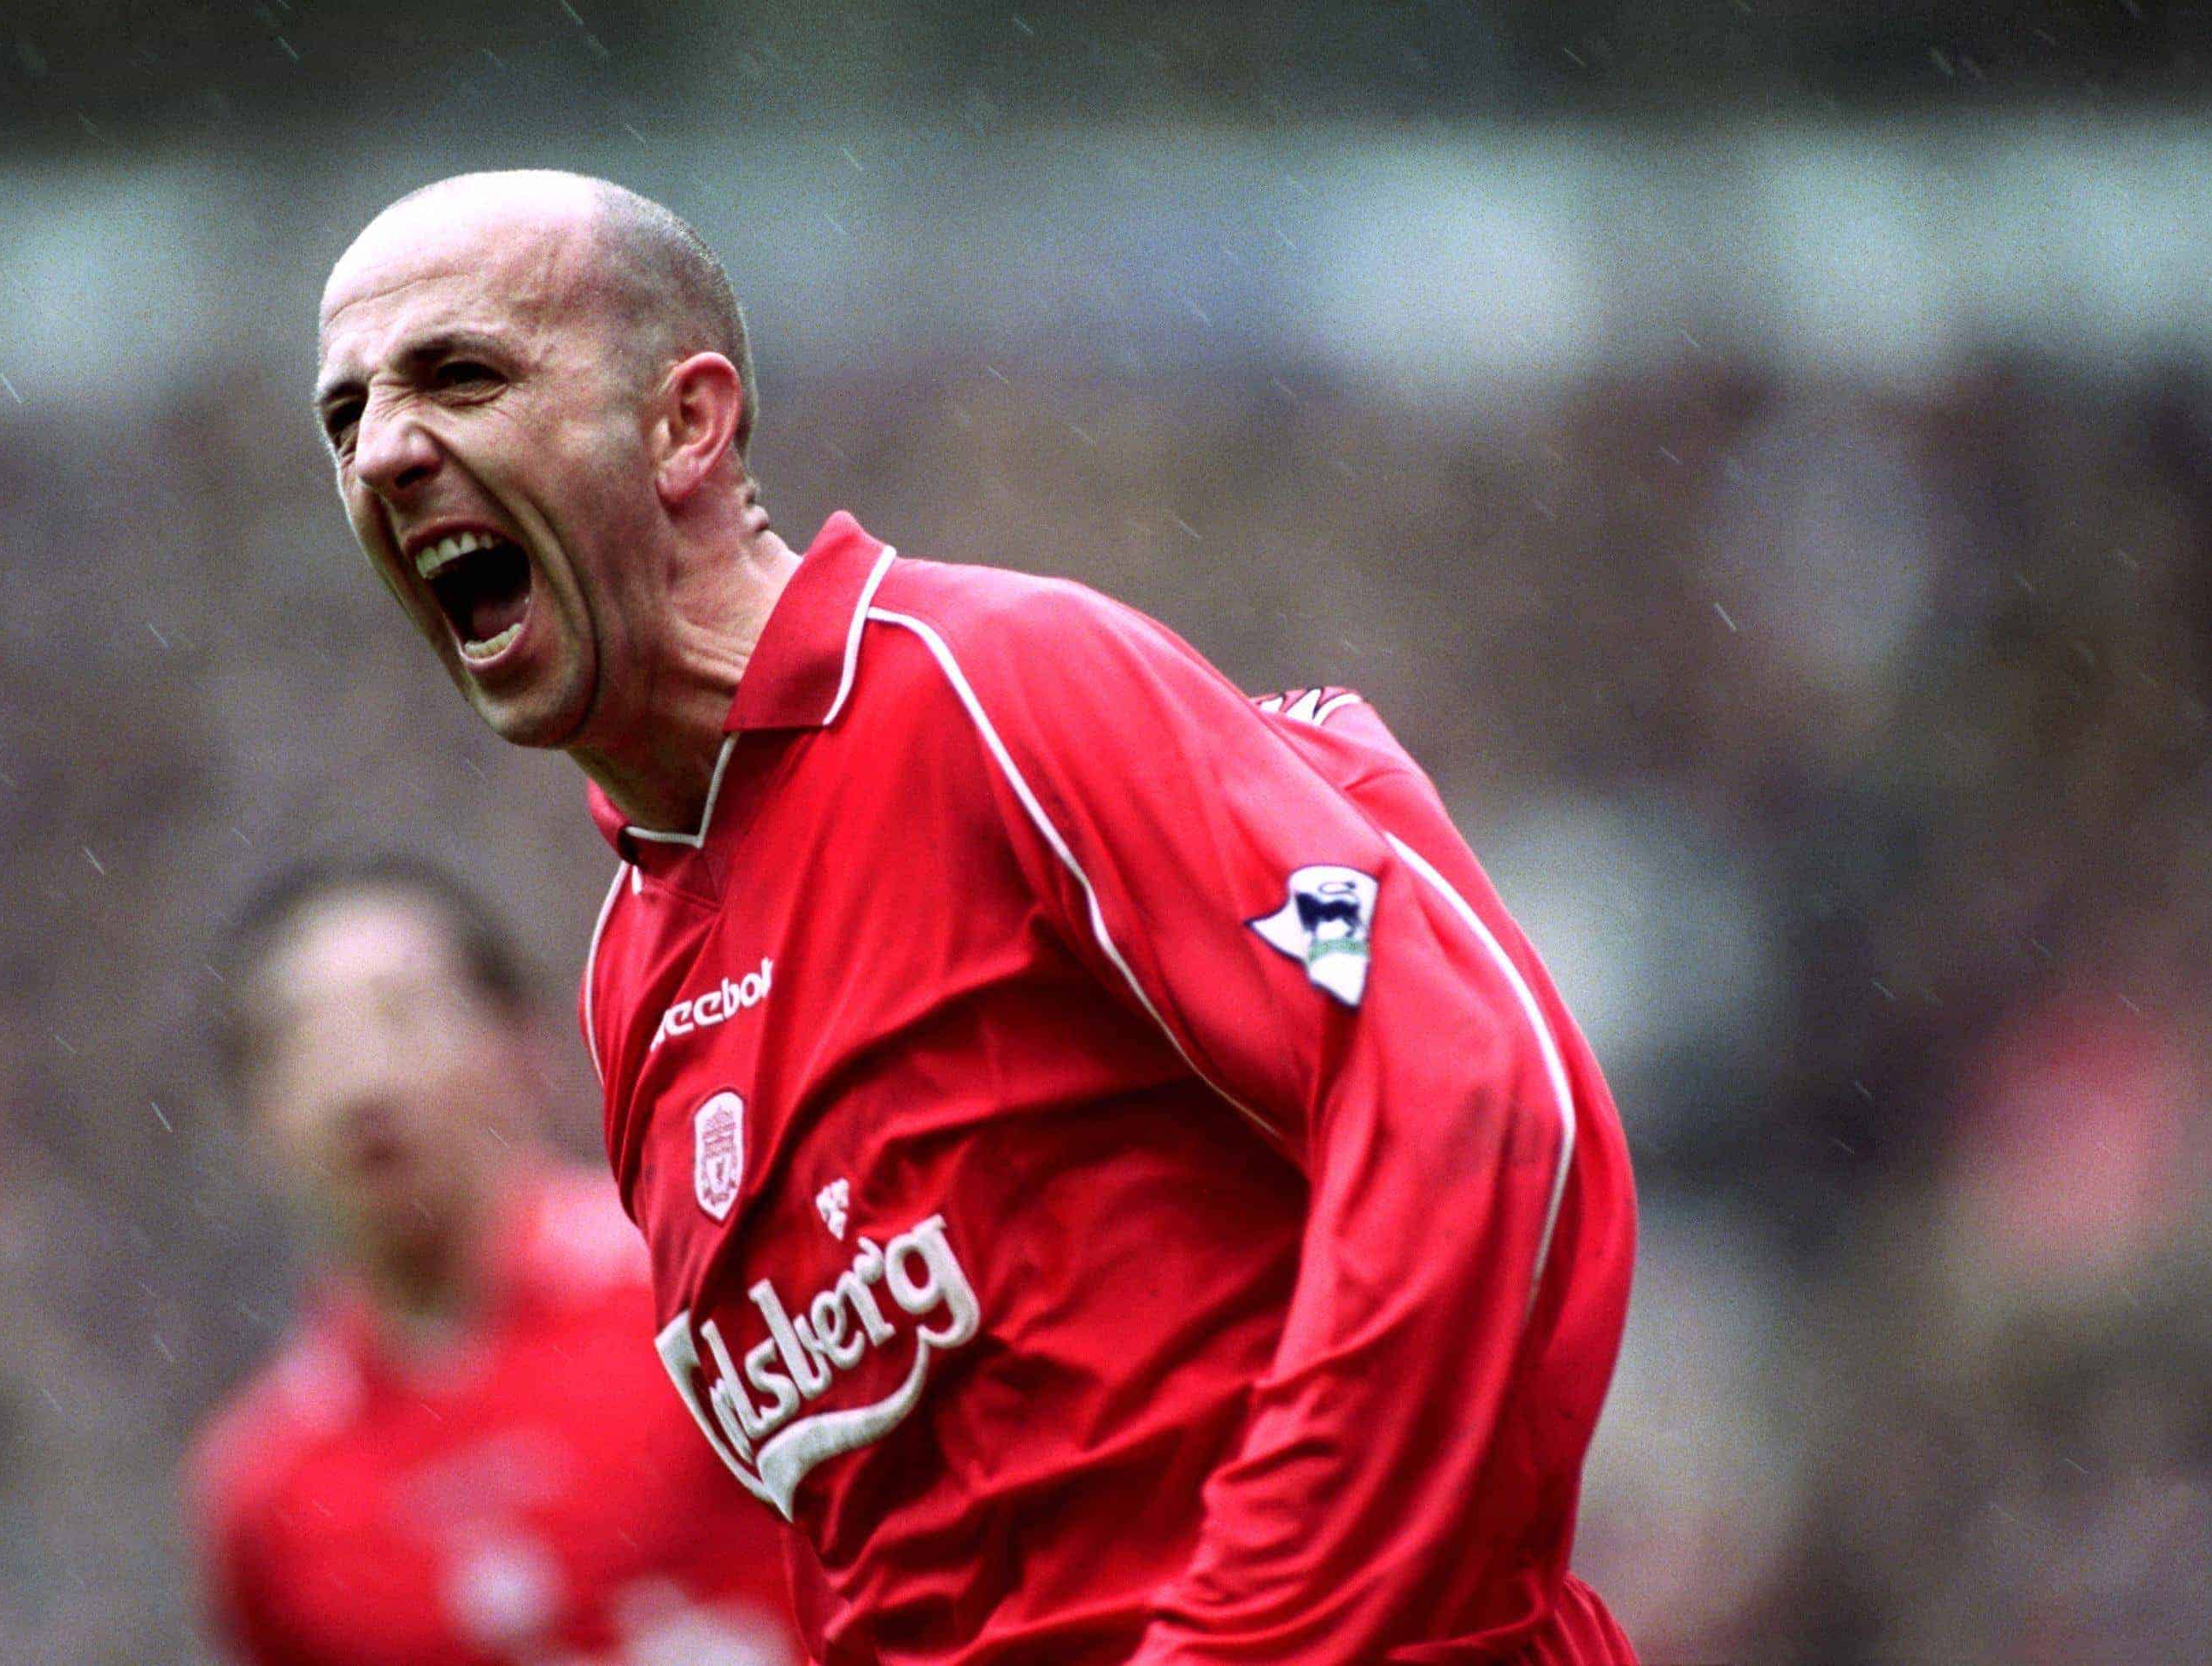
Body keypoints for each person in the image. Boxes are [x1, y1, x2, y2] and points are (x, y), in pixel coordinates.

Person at [310, 170, 1640, 1664]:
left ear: (686, 423)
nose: (388, 454)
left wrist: (1243, 1636)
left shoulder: (994, 687)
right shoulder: (633, 982)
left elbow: (1480, 1112)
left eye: (463, 377)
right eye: (346, 418)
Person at [185, 854, 797, 1666]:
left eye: (403, 1015)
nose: (361, 1083)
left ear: (523, 1047)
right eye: (303, 1042)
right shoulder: (265, 1493)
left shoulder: (707, 1299)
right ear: (255, 1120)